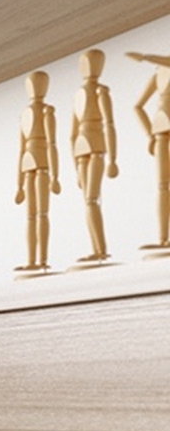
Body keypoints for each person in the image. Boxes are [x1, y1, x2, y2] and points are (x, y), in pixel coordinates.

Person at [70, 49, 118, 264]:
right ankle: (97, 249)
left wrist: (113, 159)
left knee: (91, 200)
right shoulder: (79, 94)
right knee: (88, 202)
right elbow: (72, 134)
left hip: (97, 148)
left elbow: (109, 124)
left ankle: (101, 249)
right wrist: (74, 169)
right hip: (82, 150)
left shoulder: (101, 92)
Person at [15, 70, 61, 273]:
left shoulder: (47, 112)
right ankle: (32, 260)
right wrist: (18, 186)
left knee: (42, 214)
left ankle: (42, 259)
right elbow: (21, 148)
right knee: (31, 216)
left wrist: (55, 176)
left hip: (42, 164)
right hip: (28, 164)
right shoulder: (25, 113)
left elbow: (52, 143)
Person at [128, 52, 170, 252]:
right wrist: (150, 134)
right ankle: (163, 238)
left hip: (162, 128)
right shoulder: (158, 74)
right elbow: (137, 107)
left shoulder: (161, 66)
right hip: (160, 129)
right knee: (162, 185)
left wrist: (145, 57)